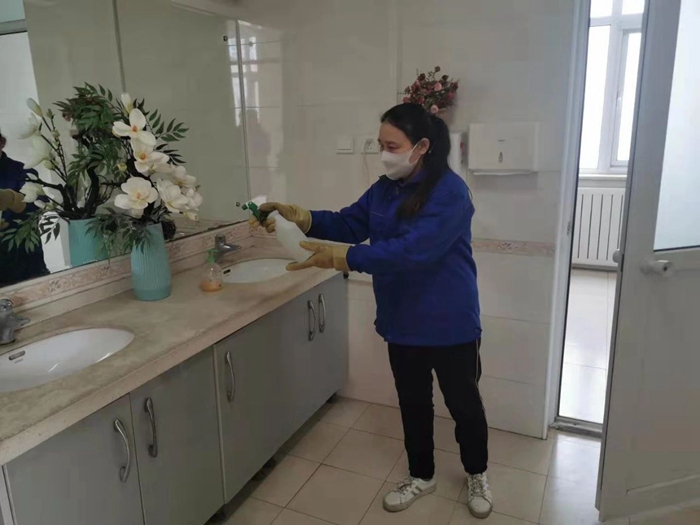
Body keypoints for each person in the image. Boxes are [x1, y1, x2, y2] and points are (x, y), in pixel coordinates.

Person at [251, 103, 491, 519]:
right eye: (380, 144)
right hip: (402, 320)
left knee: (464, 404)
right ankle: (421, 475)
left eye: (392, 146)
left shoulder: (450, 193)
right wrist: (302, 218)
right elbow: (348, 223)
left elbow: (412, 252)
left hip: (449, 320)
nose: (383, 154)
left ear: (421, 147)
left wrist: (343, 258)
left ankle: (477, 472)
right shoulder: (383, 190)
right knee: (413, 403)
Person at [0, 130, 49, 286]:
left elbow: (40, 205)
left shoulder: (22, 171)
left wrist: (13, 199)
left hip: (24, 263)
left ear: (1, 143)